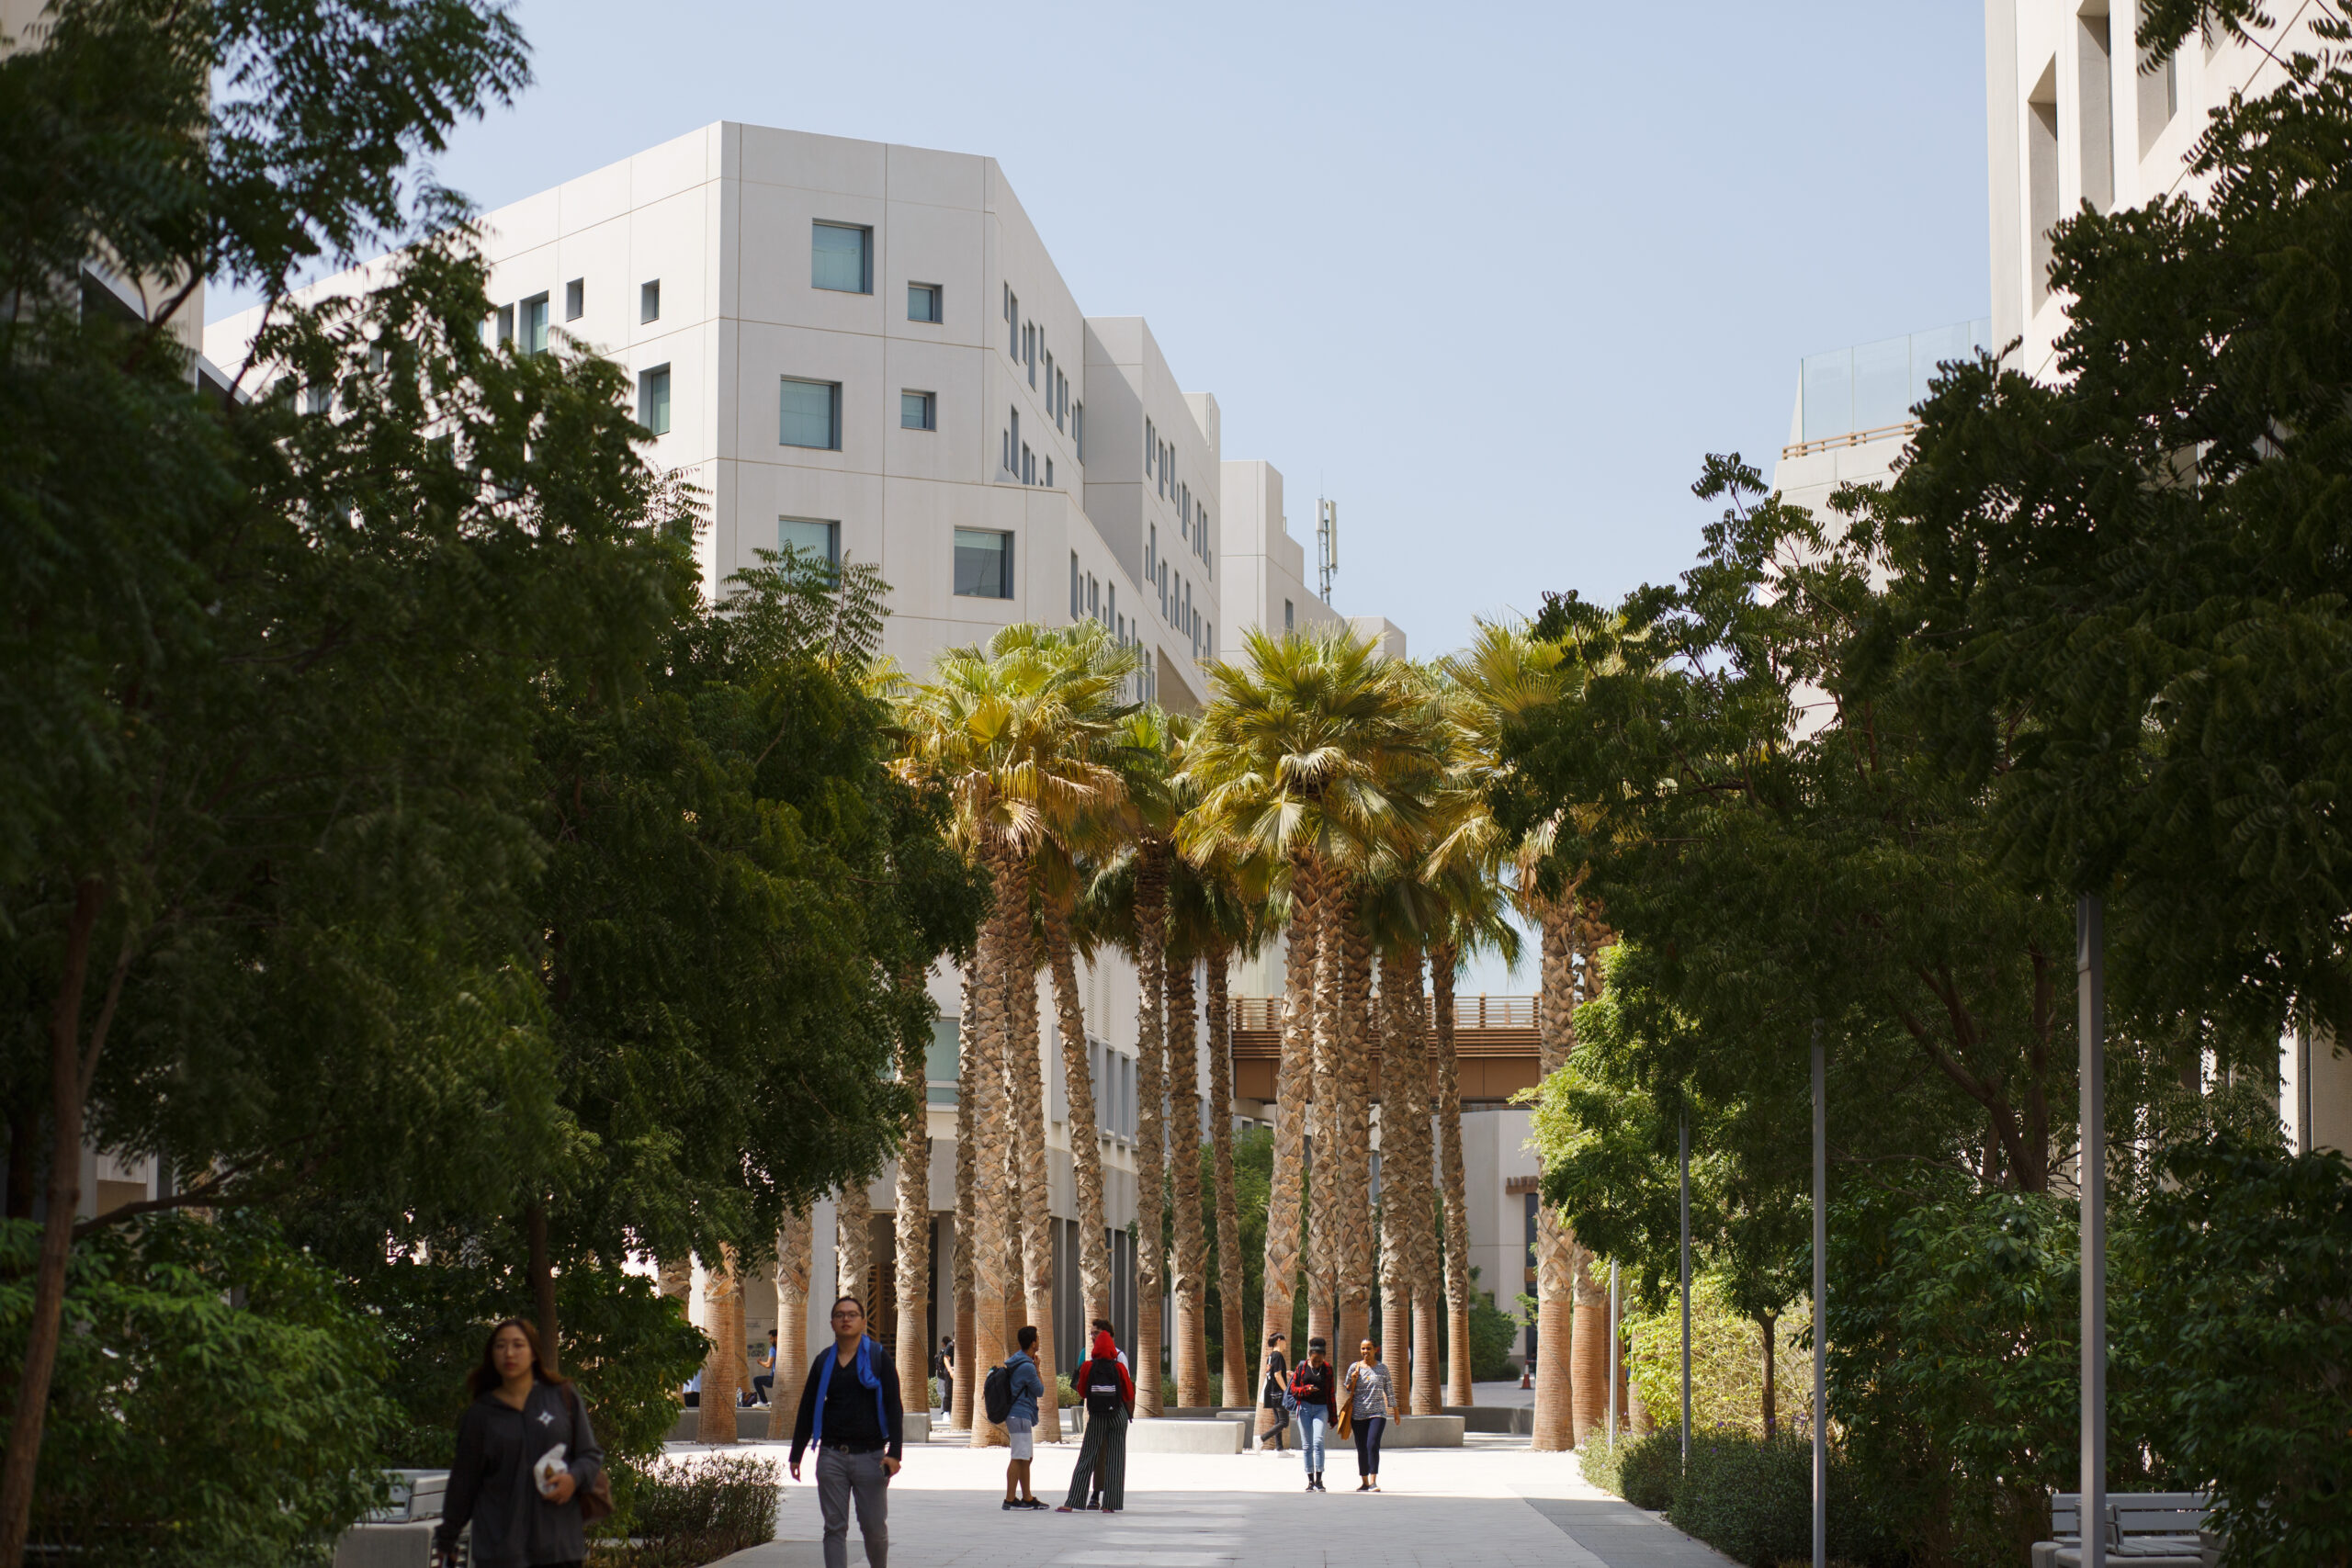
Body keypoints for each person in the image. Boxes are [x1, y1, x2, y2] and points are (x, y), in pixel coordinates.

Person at [435, 1318, 605, 1568]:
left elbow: (590, 1455)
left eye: (518, 1345)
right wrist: (447, 1539)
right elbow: (464, 1482)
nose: (509, 1353)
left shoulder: (562, 1397)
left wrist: (573, 1478)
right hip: (500, 1550)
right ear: (492, 1355)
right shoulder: (481, 1414)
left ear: (534, 1353)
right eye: (500, 1346)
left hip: (559, 1547)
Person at [788, 1295, 904, 1568]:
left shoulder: (878, 1357)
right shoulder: (823, 1361)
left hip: (871, 1456)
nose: (846, 1319)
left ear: (863, 1322)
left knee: (874, 1528)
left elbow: (893, 1406)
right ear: (832, 1323)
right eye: (840, 1315)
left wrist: (895, 1453)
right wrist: (796, 1454)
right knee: (834, 1527)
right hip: (831, 1455)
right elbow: (807, 1407)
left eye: (852, 1315)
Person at [1057, 1328, 1135, 1514]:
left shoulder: (1088, 1367)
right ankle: (1109, 1504)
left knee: (1087, 1457)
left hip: (1097, 1416)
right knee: (1116, 1459)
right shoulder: (1119, 1368)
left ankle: (1073, 1501)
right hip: (1118, 1416)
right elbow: (1129, 1393)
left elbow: (1082, 1391)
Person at [1001, 1325, 1048, 1510]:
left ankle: (1027, 1496)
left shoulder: (1018, 1360)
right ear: (1033, 1343)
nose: (1039, 1341)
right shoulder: (1028, 1366)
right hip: (1020, 1414)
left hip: (1018, 1414)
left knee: (1025, 1457)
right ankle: (1010, 1499)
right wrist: (1038, 1369)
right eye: (1038, 1338)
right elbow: (1040, 1390)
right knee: (1018, 1456)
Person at [1343, 1339, 1396, 1492]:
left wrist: (1396, 1411)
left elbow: (1389, 1390)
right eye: (1363, 1349)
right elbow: (1348, 1388)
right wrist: (1353, 1379)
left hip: (1377, 1412)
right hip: (1358, 1414)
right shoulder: (1355, 1367)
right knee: (1361, 1448)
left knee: (1372, 1445)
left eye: (1368, 1348)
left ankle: (1373, 1481)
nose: (1365, 1351)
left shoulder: (1382, 1368)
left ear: (1375, 1350)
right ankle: (1365, 1482)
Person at [1288, 1337, 1337, 1493]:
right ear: (1309, 1356)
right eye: (1314, 1361)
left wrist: (1333, 1416)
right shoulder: (1301, 1367)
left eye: (1320, 1361)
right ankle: (1310, 1480)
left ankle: (1319, 1480)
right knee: (1307, 1445)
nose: (1317, 1364)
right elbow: (1293, 1389)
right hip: (1304, 1408)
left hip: (1321, 1408)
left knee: (1318, 1442)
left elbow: (1331, 1393)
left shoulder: (1328, 1369)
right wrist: (1306, 1390)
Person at [1257, 1332, 1291, 1452]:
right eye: (1285, 1340)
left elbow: (1272, 1373)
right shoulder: (1278, 1355)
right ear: (1279, 1340)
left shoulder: (1271, 1356)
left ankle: (1280, 1449)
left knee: (1278, 1421)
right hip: (1278, 1393)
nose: (1286, 1343)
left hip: (1271, 1392)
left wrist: (1286, 1373)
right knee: (1284, 1422)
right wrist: (1286, 1391)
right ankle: (1261, 1439)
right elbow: (1277, 1375)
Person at [752, 1328, 777, 1406]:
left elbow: (768, 1365)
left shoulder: (773, 1349)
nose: (770, 1341)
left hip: (775, 1378)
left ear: (776, 1337)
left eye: (771, 1339)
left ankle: (764, 1402)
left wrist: (760, 1362)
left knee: (756, 1380)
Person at [935, 1336, 955, 1418]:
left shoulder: (949, 1347)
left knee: (944, 1391)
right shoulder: (950, 1346)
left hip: (945, 1373)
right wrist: (950, 1370)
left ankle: (945, 1409)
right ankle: (946, 1411)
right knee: (947, 1391)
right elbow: (945, 1359)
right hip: (948, 1373)